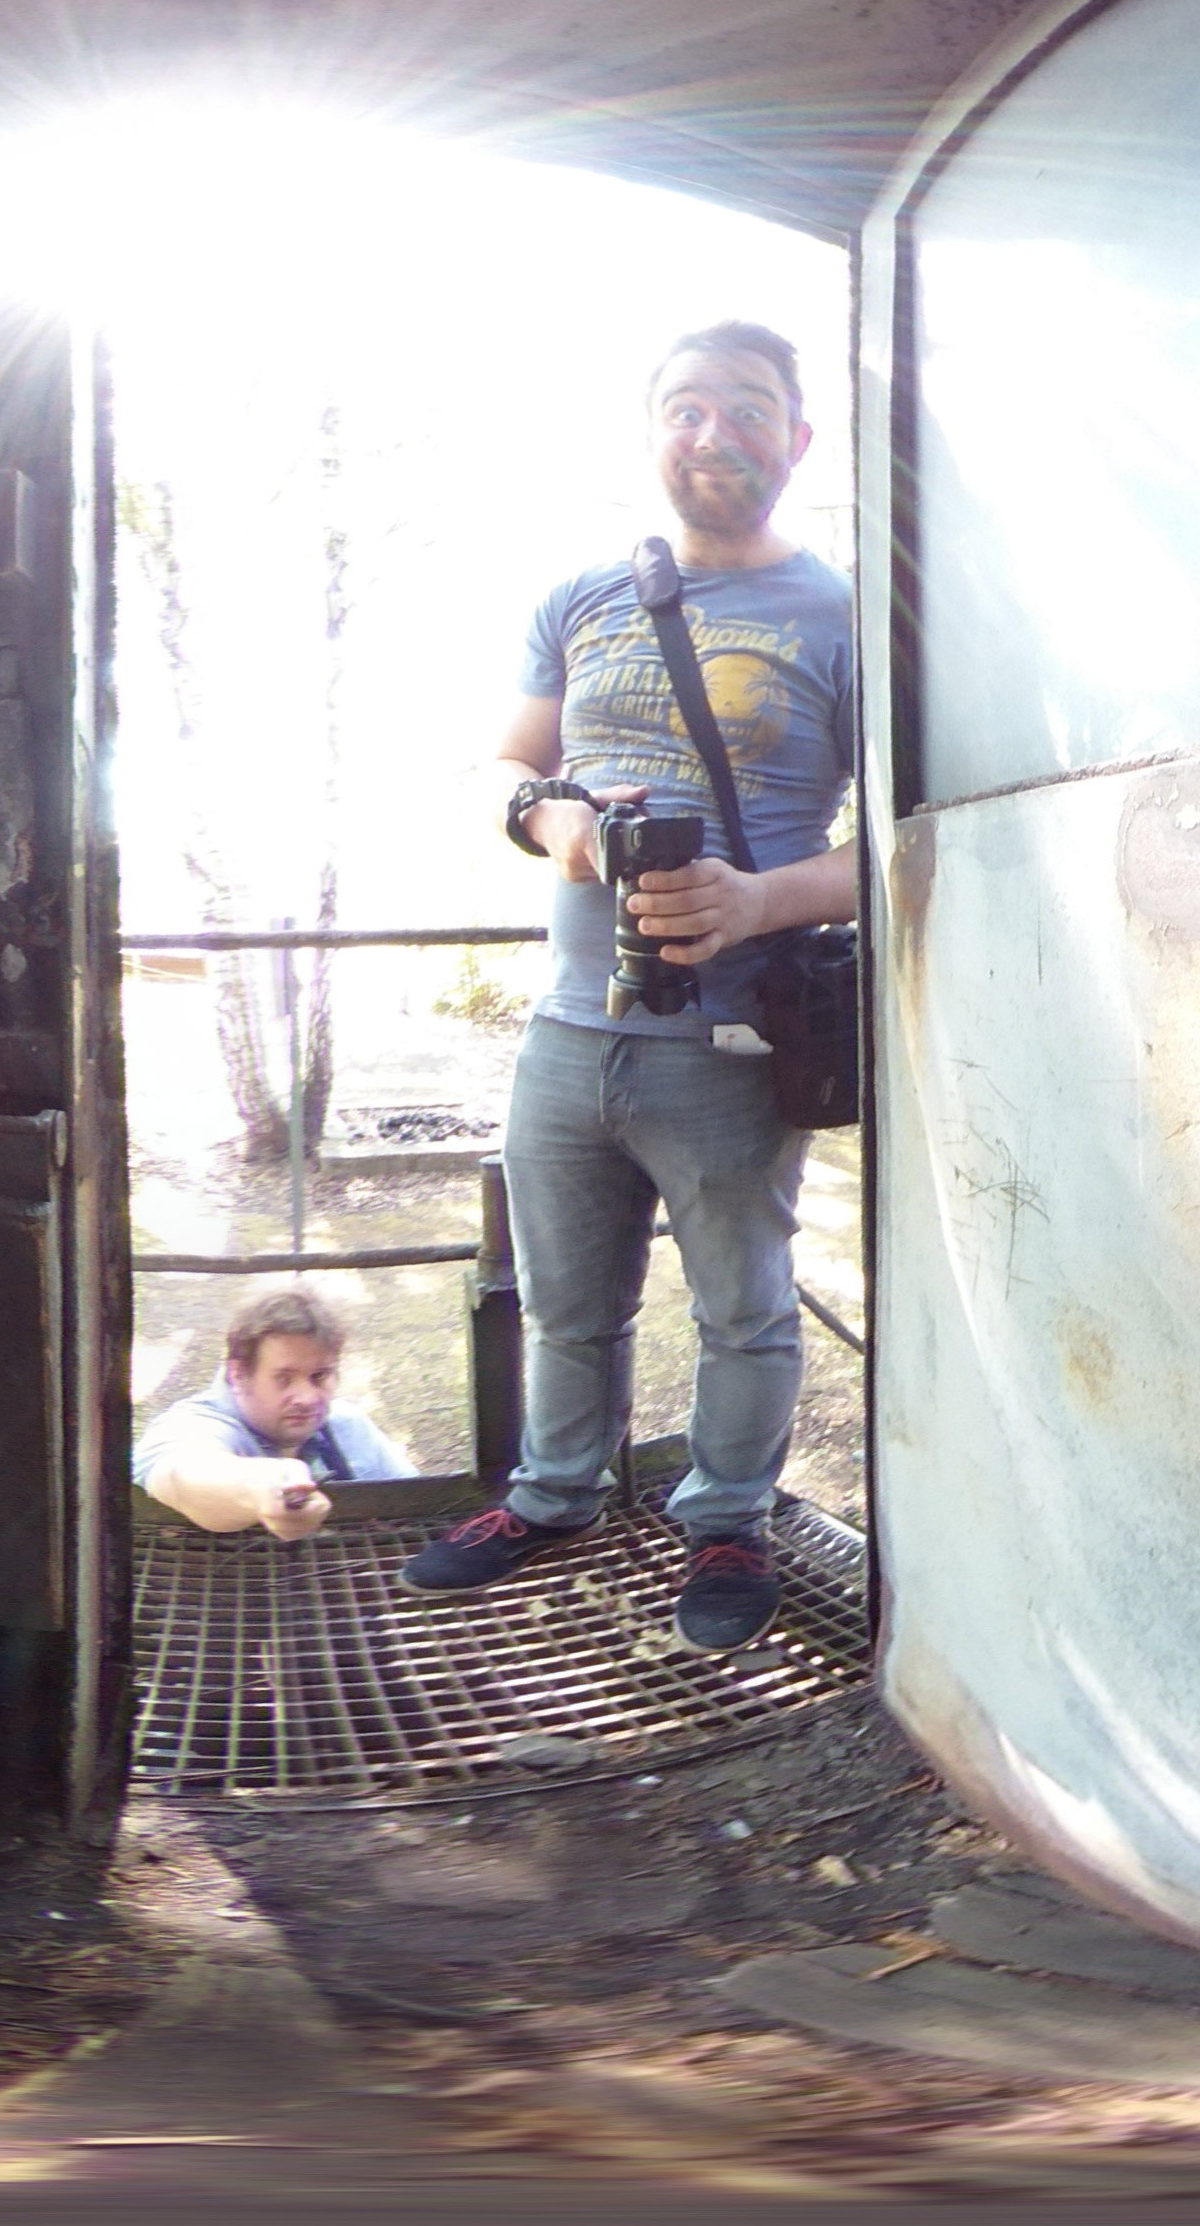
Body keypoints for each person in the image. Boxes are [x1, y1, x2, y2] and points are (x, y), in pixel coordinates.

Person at [401, 319, 855, 1651]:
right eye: (686, 408)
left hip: (733, 1041)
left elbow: (904, 843)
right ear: (653, 432)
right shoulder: (583, 596)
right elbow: (503, 765)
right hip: (566, 1027)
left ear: (799, 439)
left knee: (742, 1308)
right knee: (562, 1301)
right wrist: (554, 820)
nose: (714, 434)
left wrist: (755, 899)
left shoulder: (842, 618)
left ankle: (728, 1523)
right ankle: (552, 1497)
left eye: (749, 409)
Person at [135, 1287, 407, 1540]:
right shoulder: (190, 1426)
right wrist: (262, 1489)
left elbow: (414, 1507)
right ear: (238, 1374)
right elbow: (182, 1474)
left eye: (319, 1376)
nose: (307, 1398)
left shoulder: (349, 1427)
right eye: (283, 1378)